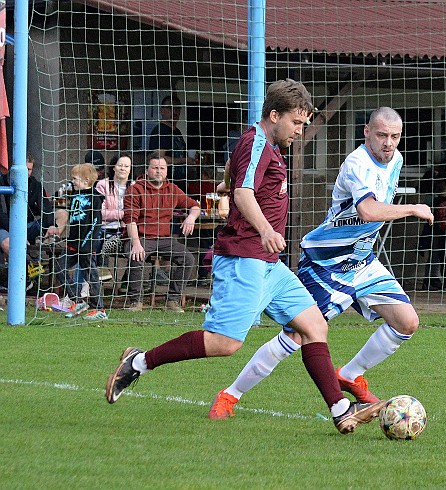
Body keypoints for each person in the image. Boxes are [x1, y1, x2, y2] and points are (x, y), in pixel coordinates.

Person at [105, 79, 384, 435]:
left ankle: (341, 409)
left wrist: (225, 184)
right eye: (296, 123)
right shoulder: (256, 143)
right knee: (225, 343)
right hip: (244, 257)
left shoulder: (264, 143)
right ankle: (139, 362)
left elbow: (234, 180)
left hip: (269, 264)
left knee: (315, 326)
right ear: (274, 115)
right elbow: (243, 192)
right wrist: (267, 229)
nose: (300, 131)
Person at [207, 106, 434, 420]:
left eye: (395, 136)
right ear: (366, 132)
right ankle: (230, 395)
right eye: (381, 135)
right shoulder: (357, 163)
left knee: (406, 321)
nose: (388, 143)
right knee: (295, 336)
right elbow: (368, 211)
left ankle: (350, 375)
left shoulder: (396, 160)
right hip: (325, 263)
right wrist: (412, 208)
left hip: (362, 260)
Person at [122, 150, 199, 312]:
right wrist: (136, 243)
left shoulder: (172, 189)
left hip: (164, 239)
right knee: (137, 255)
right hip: (140, 237)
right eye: (155, 168)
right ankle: (136, 301)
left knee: (188, 259)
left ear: (167, 170)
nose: (159, 171)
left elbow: (194, 205)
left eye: (162, 168)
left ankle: (172, 301)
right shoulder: (135, 189)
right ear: (147, 170)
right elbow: (130, 220)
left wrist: (191, 218)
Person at [54, 163, 107, 320]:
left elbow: (96, 223)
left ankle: (100, 309)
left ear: (86, 180)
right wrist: (62, 191)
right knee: (59, 267)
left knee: (91, 275)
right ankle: (78, 300)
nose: (73, 181)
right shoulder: (74, 195)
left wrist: (88, 243)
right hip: (72, 243)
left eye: (75, 179)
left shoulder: (95, 198)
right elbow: (60, 201)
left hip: (86, 245)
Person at [95, 152, 133, 280]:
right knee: (97, 239)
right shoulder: (102, 185)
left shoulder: (135, 187)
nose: (123, 168)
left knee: (138, 246)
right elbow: (100, 213)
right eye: (120, 165)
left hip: (126, 230)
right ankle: (100, 274)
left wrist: (126, 218)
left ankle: (127, 280)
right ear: (113, 167)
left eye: (126, 166)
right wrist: (123, 214)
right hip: (105, 228)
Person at [148, 94, 197, 189]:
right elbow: (157, 159)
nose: (174, 112)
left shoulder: (177, 132)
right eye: (170, 108)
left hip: (180, 184)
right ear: (162, 111)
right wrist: (184, 160)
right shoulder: (160, 131)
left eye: (177, 109)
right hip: (165, 185)